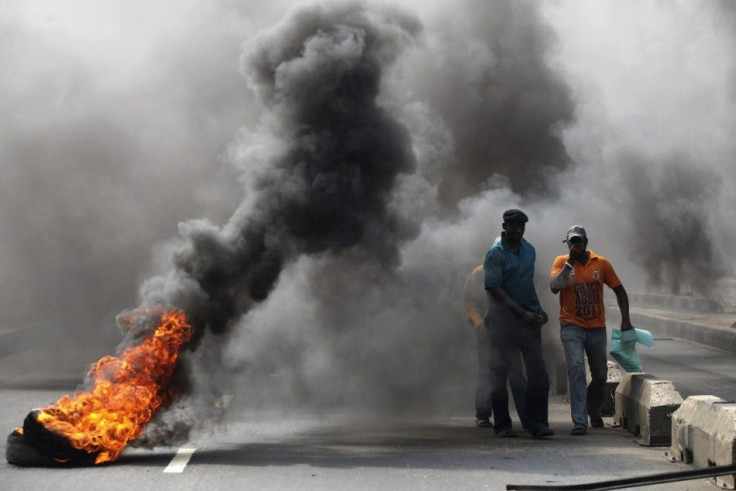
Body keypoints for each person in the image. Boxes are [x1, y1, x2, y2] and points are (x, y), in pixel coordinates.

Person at [549, 225, 632, 436]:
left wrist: (626, 320)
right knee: (576, 369)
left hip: (596, 327)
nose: (575, 245)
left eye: (578, 241)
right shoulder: (561, 262)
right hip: (571, 325)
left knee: (601, 375)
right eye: (571, 242)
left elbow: (619, 290)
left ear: (586, 243)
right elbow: (554, 286)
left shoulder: (601, 263)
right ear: (567, 244)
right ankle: (579, 421)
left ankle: (593, 409)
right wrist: (569, 262)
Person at [484, 209, 553, 438]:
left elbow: (526, 284)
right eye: (512, 226)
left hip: (528, 321)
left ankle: (538, 423)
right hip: (502, 323)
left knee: (538, 374)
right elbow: (494, 288)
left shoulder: (529, 250)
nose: (516, 230)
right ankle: (502, 424)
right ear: (504, 227)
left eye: (520, 226)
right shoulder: (496, 253)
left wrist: (538, 309)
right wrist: (522, 313)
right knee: (499, 373)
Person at [463, 265, 528, 429]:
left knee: (515, 373)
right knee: (486, 371)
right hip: (487, 330)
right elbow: (469, 301)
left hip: (509, 330)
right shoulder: (478, 274)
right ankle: (483, 414)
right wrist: (479, 324)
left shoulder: (513, 271)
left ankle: (527, 417)